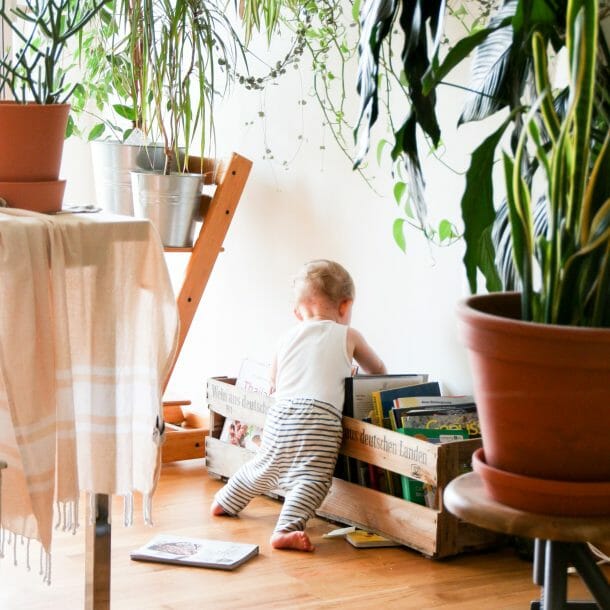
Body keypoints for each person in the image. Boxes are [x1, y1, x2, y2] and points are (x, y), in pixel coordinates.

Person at [211, 259, 386, 551]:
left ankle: (225, 501)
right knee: (313, 478)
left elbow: (273, 384)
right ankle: (286, 528)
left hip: (281, 414)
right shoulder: (348, 335)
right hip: (320, 418)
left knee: (264, 467)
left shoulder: (285, 338)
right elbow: (378, 371)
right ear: (345, 306)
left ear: (297, 312)